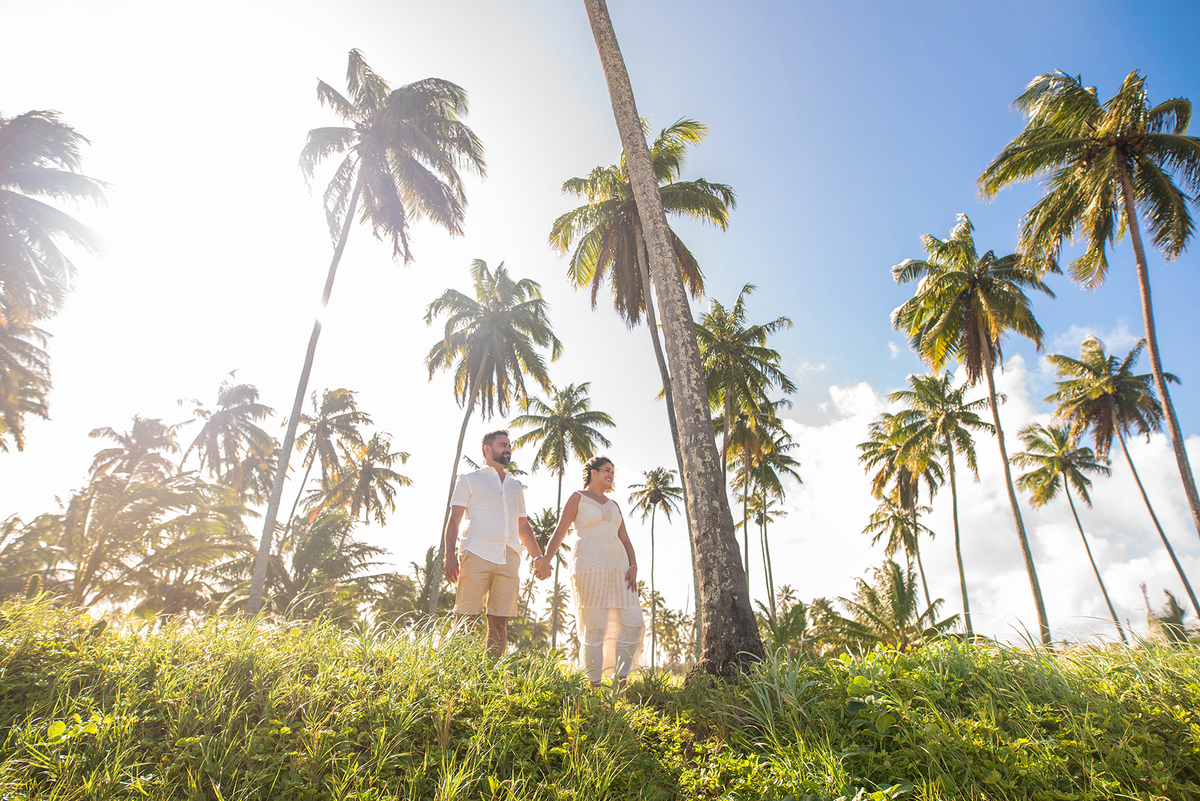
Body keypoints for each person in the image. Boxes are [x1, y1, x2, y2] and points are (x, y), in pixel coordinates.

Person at [538, 455, 644, 688]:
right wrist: (546, 560)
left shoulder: (614, 504)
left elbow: (625, 539)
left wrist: (633, 566)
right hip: (588, 566)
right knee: (595, 624)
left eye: (613, 472)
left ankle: (621, 679)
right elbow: (560, 531)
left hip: (619, 568)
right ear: (593, 472)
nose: (611, 475)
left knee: (633, 620)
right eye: (607, 470)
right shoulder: (578, 497)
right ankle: (594, 685)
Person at [444, 429, 545, 657]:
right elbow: (454, 521)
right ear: (487, 450)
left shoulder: (515, 485)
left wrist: (538, 557)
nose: (508, 449)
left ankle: (490, 675)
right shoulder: (469, 480)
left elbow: (523, 526)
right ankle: (455, 669)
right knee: (465, 617)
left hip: (509, 557)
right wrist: (450, 555)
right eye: (502, 445)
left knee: (499, 621)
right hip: (476, 553)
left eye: (509, 445)